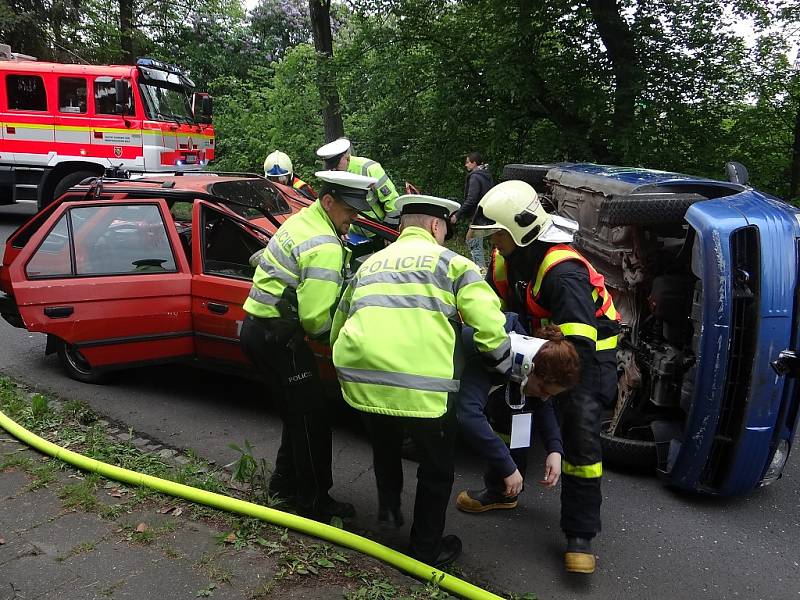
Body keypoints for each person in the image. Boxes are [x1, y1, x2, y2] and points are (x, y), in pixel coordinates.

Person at [330, 194, 511, 568]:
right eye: (445, 228)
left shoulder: (369, 264)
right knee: (437, 468)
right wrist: (502, 363)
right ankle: (425, 549)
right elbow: (490, 325)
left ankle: (389, 514)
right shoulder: (454, 265)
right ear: (434, 225)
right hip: (424, 391)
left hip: (363, 383)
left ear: (401, 227)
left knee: (385, 447)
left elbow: (339, 324)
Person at [469, 180, 620, 575]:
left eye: (496, 235)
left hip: (584, 360)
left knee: (580, 439)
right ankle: (503, 489)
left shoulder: (563, 271)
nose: (492, 243)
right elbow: (495, 308)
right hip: (541, 350)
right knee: (510, 412)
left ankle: (579, 535)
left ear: (518, 231)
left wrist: (549, 389)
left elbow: (580, 346)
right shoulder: (507, 259)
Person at [239, 170, 376, 523]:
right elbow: (317, 322)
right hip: (280, 340)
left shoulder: (303, 220)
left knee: (296, 414)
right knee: (312, 419)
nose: (354, 219)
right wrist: (355, 336)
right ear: (329, 202)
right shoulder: (324, 244)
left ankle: (283, 486)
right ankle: (315, 502)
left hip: (257, 331)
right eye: (350, 211)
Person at [455, 317, 580, 513]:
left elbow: (542, 405)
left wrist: (555, 449)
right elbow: (468, 415)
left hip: (511, 382)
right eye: (544, 389)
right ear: (530, 369)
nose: (545, 397)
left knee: (522, 408)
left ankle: (502, 492)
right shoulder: (491, 351)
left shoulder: (534, 355)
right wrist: (508, 467)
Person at [316, 137, 399, 225]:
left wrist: (389, 228)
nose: (334, 169)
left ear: (346, 156)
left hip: (378, 229)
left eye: (336, 164)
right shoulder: (331, 173)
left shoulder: (370, 169)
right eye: (330, 165)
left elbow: (392, 202)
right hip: (351, 230)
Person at [450, 152, 494, 270]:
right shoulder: (486, 175)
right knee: (491, 243)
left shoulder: (475, 176)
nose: (466, 165)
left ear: (474, 163)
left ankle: (480, 270)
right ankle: (489, 268)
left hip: (478, 216)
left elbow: (472, 199)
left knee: (472, 240)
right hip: (489, 214)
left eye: (468, 162)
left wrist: (457, 215)